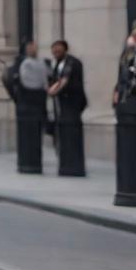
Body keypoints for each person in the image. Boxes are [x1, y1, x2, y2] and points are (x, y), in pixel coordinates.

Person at [47, 39, 87, 176]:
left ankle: (72, 167)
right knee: (61, 135)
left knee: (71, 135)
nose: (55, 53)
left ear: (65, 49)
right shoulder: (57, 64)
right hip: (61, 107)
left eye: (58, 50)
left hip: (72, 104)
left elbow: (64, 80)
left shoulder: (72, 63)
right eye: (54, 51)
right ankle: (64, 164)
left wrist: (53, 91)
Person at [15, 41, 49, 174]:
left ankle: (32, 165)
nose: (33, 49)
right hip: (28, 106)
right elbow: (28, 83)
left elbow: (44, 81)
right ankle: (27, 165)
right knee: (29, 137)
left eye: (34, 47)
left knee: (35, 136)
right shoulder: (25, 64)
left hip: (36, 106)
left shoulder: (41, 63)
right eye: (30, 47)